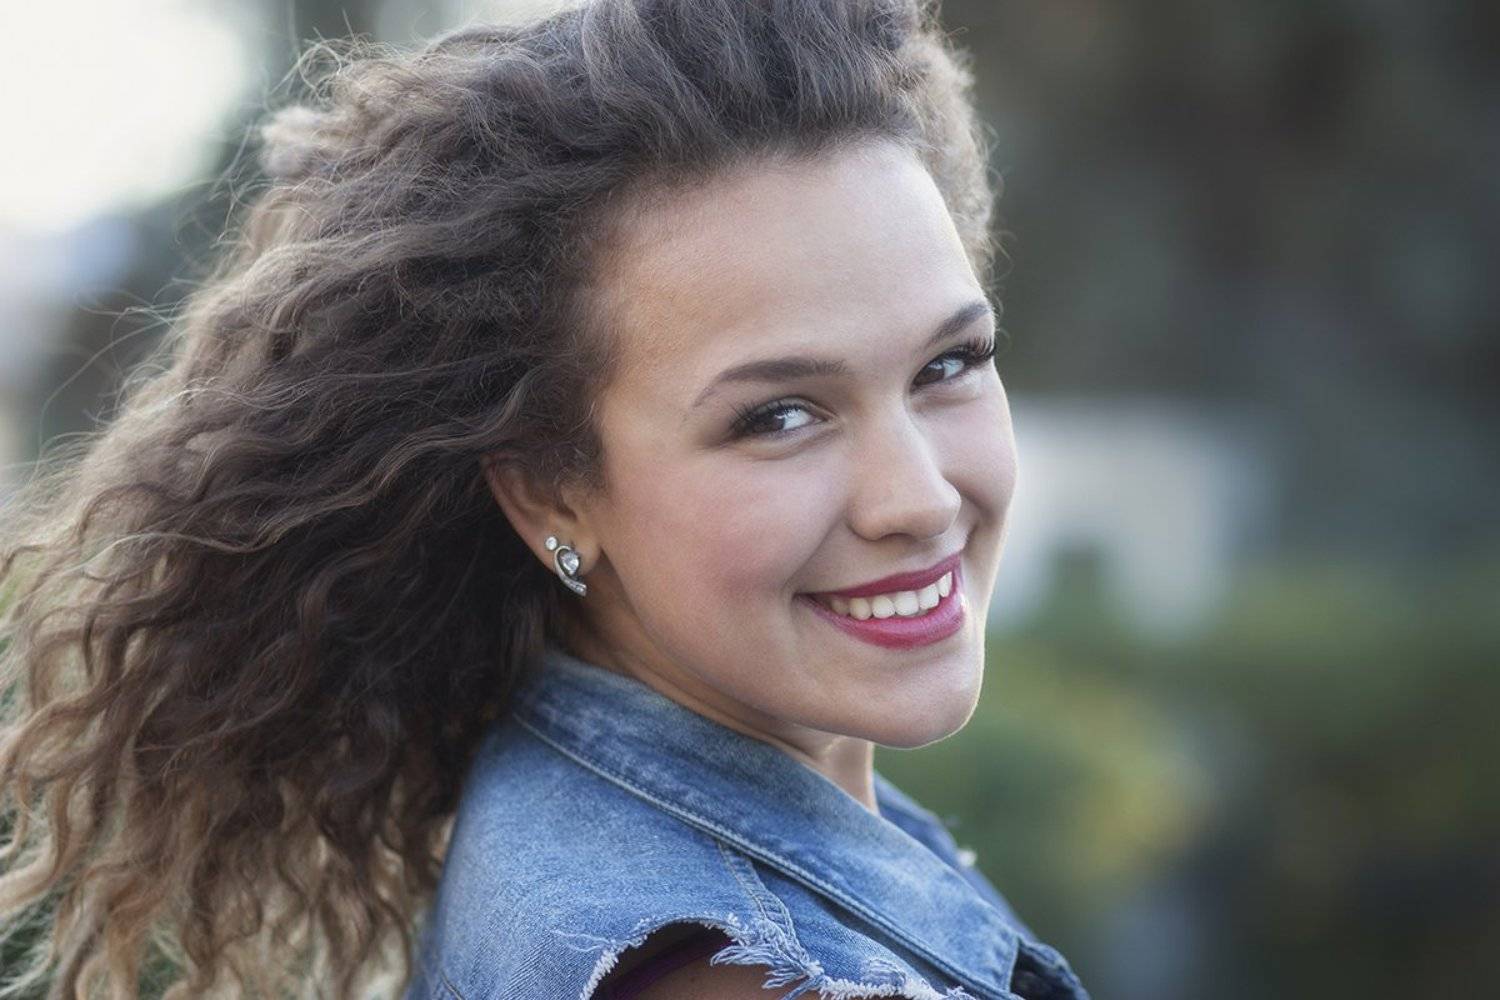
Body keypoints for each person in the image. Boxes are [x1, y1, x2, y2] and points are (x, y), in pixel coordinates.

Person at [0, 1, 1089, 998]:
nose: (917, 498)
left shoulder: (581, 806)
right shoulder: (740, 969)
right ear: (551, 493)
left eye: (950, 363)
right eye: (778, 416)